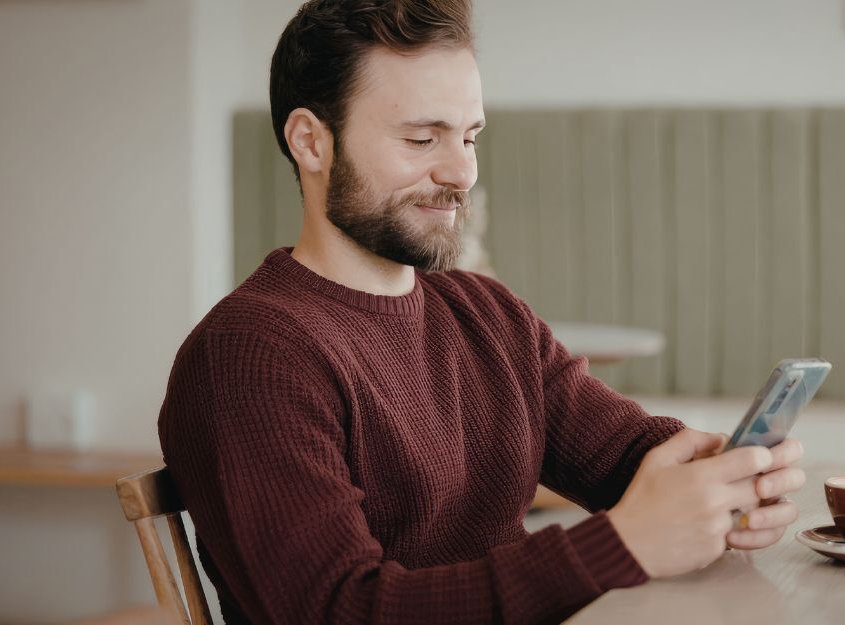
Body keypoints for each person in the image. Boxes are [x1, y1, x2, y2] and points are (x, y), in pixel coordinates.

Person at [157, 1, 805, 623]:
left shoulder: (486, 314)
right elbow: (340, 609)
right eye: (421, 138)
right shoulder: (251, 353)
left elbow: (623, 453)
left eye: (469, 136)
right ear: (311, 142)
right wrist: (623, 543)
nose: (461, 171)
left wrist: (725, 477)